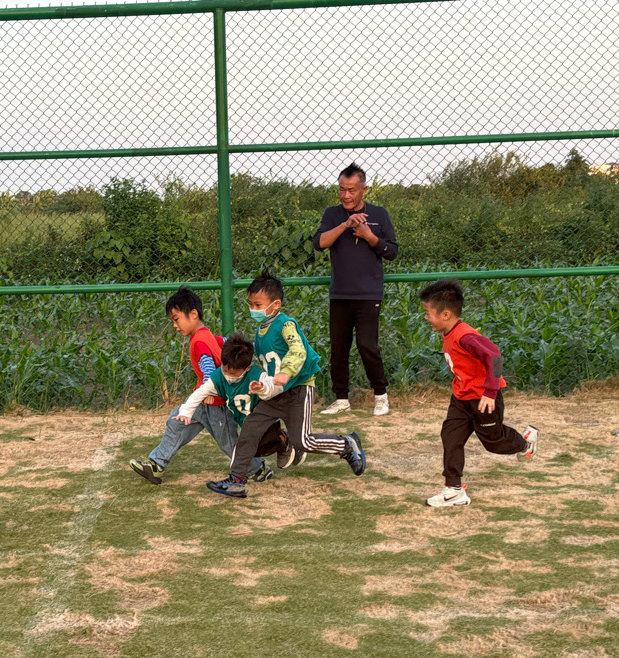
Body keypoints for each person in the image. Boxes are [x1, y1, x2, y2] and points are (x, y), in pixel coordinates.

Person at [207, 270, 366, 499]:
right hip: (274, 393)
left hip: (298, 389)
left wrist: (287, 372)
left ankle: (346, 445)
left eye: (258, 304)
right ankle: (237, 480)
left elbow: (298, 349)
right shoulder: (260, 331)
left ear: (276, 304)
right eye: (250, 304)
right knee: (250, 429)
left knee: (303, 441)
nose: (253, 309)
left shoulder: (286, 325)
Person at [129, 286, 269, 485]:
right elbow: (227, 342)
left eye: (176, 319)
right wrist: (253, 346)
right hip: (202, 402)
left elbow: (207, 365)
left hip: (216, 404)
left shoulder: (199, 341)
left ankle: (258, 468)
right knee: (176, 422)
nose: (175, 326)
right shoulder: (206, 335)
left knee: (229, 443)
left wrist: (207, 388)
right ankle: (156, 464)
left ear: (193, 314)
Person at [418, 279, 538, 507]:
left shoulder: (465, 336)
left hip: (484, 400)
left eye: (428, 313)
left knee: (493, 442)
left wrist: (490, 392)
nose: (426, 318)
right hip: (461, 398)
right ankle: (453, 490)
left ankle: (525, 443)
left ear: (445, 315)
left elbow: (494, 355)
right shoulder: (448, 331)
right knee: (450, 437)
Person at [313, 163, 399, 417]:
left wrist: (369, 235)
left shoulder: (379, 214)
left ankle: (380, 396)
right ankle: (341, 399)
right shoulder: (332, 214)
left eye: (351, 190)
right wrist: (345, 224)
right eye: (342, 189)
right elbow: (319, 243)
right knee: (338, 348)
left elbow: (392, 251)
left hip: (369, 294)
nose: (346, 195)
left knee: (366, 345)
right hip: (340, 294)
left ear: (364, 190)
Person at [174, 333, 297, 471]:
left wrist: (262, 388)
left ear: (247, 368)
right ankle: (284, 440)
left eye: (233, 374)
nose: (228, 376)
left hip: (265, 420)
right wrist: (186, 412)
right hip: (246, 423)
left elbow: (274, 387)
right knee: (254, 450)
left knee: (264, 444)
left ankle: (285, 440)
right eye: (225, 370)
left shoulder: (256, 375)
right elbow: (200, 393)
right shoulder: (218, 377)